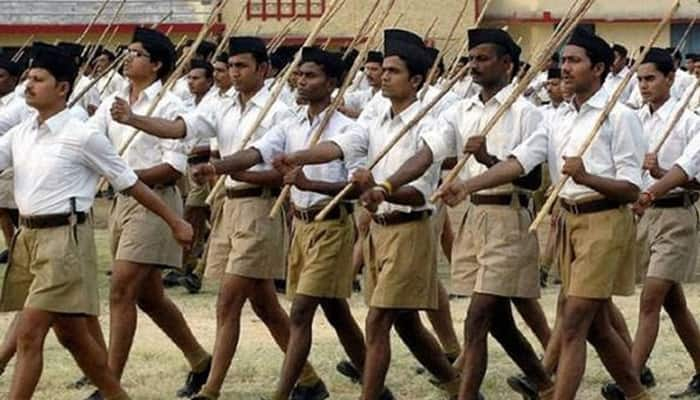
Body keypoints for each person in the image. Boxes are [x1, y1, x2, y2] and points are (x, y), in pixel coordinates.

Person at [109, 36, 328, 400]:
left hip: (262, 207)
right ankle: (308, 380)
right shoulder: (221, 106)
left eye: (243, 66)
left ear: (264, 69)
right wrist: (134, 120)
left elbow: (282, 170)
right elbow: (180, 128)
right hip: (227, 206)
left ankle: (210, 390)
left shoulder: (282, 110)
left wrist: (230, 171)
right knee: (265, 304)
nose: (234, 74)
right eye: (230, 67)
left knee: (227, 300)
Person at [437, 27, 651, 400]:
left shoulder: (621, 117)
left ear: (599, 68)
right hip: (567, 224)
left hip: (605, 223)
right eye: (563, 61)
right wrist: (468, 186)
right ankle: (636, 394)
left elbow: (631, 188)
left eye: (574, 61)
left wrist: (586, 176)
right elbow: (519, 163)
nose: (564, 68)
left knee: (572, 324)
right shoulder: (556, 119)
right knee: (597, 326)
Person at [275, 29, 462, 400]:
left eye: (392, 70)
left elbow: (419, 171)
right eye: (384, 69)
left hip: (410, 228)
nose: (382, 75)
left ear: (417, 80)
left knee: (377, 321)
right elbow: (342, 145)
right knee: (406, 323)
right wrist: (299, 157)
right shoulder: (375, 114)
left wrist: (384, 187)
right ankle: (457, 384)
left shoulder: (433, 120)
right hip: (377, 230)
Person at [0, 41, 193, 400]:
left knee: (29, 334)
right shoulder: (21, 133)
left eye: (38, 79)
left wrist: (174, 221)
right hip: (28, 238)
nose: (27, 84)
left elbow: (129, 182)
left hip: (64, 241)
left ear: (62, 89)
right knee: (73, 337)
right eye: (27, 77)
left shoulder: (82, 136)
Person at [84, 27, 211, 400]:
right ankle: (199, 359)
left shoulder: (173, 105)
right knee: (149, 296)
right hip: (123, 202)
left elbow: (174, 167)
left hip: (155, 202)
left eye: (137, 53)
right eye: (127, 51)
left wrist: (124, 177)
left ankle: (110, 384)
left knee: (122, 288)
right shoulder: (113, 99)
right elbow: (88, 141)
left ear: (155, 64)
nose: (128, 57)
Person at [603, 48, 700, 400]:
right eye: (640, 79)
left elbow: (692, 174)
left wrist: (660, 178)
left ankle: (630, 377)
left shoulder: (690, 121)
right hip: (643, 218)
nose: (643, 86)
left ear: (671, 79)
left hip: (676, 216)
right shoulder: (635, 120)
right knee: (673, 303)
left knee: (650, 300)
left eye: (651, 79)